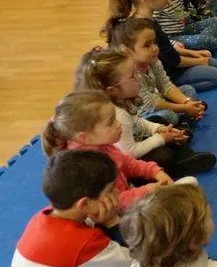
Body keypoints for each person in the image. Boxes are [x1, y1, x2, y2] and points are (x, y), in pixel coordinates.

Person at [7, 150, 131, 267]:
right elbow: (135, 259)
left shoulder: (45, 215)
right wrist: (112, 221)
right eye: (111, 190)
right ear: (84, 204)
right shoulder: (83, 244)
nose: (117, 193)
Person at [73, 44, 216, 178]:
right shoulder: (117, 114)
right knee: (163, 154)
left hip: (132, 141)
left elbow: (138, 122)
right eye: (133, 77)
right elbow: (130, 153)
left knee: (159, 121)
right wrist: (161, 138)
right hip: (124, 161)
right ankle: (176, 168)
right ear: (113, 90)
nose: (138, 80)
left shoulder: (121, 101)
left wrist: (159, 129)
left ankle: (186, 156)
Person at [41, 90, 173, 211]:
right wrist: (145, 191)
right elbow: (109, 204)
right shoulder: (86, 168)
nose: (118, 124)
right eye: (110, 122)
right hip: (112, 213)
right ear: (84, 137)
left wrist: (155, 171)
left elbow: (127, 162)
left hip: (125, 193)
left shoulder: (100, 144)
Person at [104, 0, 217, 93]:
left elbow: (168, 50)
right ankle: (168, 92)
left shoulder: (143, 20)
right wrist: (200, 61)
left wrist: (192, 54)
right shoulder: (146, 28)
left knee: (212, 63)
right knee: (215, 74)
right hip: (167, 74)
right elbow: (174, 61)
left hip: (166, 67)